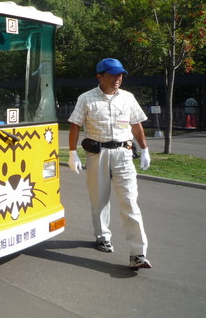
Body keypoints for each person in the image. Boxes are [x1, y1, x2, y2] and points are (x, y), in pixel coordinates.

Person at [67, 58, 152, 271]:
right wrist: (72, 153)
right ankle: (102, 236)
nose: (118, 78)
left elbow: (136, 124)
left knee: (130, 202)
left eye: (120, 74)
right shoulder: (86, 99)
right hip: (98, 154)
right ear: (100, 76)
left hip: (124, 153)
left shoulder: (128, 98)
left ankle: (138, 253)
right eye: (113, 74)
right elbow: (75, 126)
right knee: (99, 199)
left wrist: (144, 149)